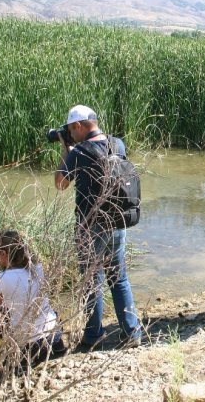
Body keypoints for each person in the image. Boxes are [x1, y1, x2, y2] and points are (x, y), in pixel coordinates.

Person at [54, 105, 140, 348]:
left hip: (90, 225)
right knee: (119, 278)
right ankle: (131, 332)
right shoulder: (118, 144)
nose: (71, 134)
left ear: (79, 126)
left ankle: (93, 336)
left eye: (71, 129)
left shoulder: (78, 152)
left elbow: (60, 184)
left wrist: (65, 151)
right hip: (117, 221)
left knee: (91, 281)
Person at [0, 230, 66, 365]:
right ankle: (59, 348)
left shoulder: (1, 278)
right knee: (46, 308)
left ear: (4, 254)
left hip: (31, 345)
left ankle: (16, 352)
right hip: (54, 336)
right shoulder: (37, 269)